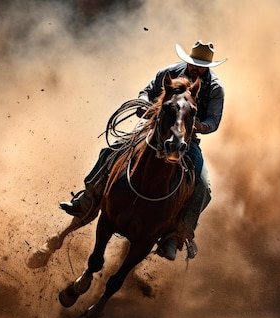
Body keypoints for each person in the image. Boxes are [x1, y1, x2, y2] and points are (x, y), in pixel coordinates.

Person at [60, 40, 227, 260]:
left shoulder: (215, 89)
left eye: (201, 65)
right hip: (155, 131)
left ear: (208, 67)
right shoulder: (169, 73)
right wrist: (143, 103)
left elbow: (214, 120)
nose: (196, 68)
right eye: (193, 63)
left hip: (187, 141)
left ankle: (178, 234)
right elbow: (147, 91)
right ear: (188, 60)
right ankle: (88, 197)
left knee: (203, 187)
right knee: (111, 152)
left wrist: (197, 125)